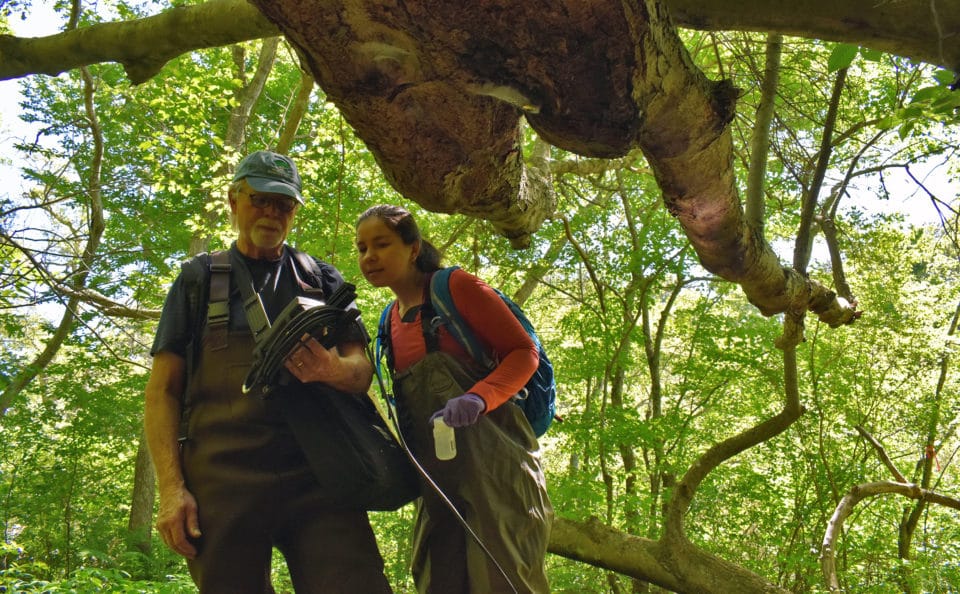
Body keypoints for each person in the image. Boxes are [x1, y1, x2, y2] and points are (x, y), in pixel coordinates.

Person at [144, 150, 393, 593]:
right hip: (221, 482)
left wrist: (333, 368)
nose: (272, 213)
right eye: (261, 199)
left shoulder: (323, 279)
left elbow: (361, 372)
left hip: (321, 476)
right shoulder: (198, 279)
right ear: (234, 200)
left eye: (284, 204)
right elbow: (162, 391)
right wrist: (170, 488)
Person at [355, 204, 553, 593]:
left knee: (504, 579)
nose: (369, 257)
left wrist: (479, 398)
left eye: (381, 244)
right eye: (361, 248)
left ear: (413, 248)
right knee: (437, 579)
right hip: (437, 481)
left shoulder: (455, 288)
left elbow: (522, 351)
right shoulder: (387, 321)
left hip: (499, 468)